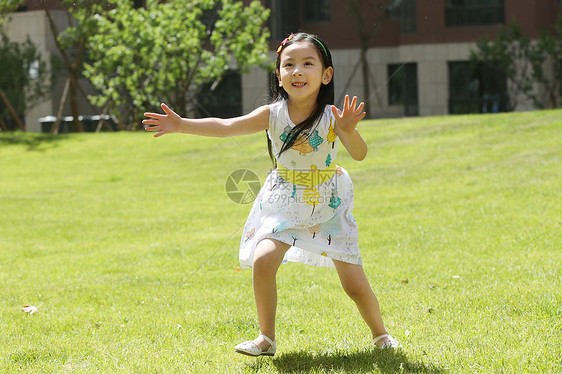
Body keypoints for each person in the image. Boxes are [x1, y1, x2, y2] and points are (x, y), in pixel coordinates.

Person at [143, 32, 400, 357]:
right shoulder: (272, 115)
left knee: (353, 283)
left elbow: (360, 155)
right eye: (288, 64)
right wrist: (183, 125)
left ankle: (381, 334)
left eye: (308, 63)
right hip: (284, 198)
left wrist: (349, 131)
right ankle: (266, 338)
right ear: (278, 75)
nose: (297, 71)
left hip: (328, 202)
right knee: (263, 260)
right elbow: (225, 126)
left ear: (326, 75)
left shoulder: (333, 116)